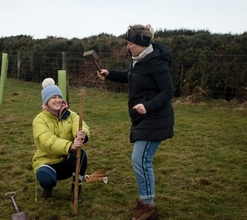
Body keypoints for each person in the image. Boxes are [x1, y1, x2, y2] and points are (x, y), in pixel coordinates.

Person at [97, 24, 174, 220]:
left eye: (130, 43)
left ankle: (149, 207)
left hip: (155, 118)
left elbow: (168, 92)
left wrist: (148, 106)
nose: (127, 47)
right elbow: (131, 77)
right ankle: (145, 202)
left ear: (141, 43)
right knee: (140, 160)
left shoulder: (156, 62)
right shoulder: (138, 59)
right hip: (143, 118)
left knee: (140, 160)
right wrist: (109, 73)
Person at [32, 78, 90, 203]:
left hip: (66, 160)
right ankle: (47, 188)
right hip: (47, 161)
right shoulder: (39, 120)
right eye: (53, 97)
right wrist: (71, 146)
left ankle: (76, 189)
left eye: (59, 97)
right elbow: (47, 142)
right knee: (46, 178)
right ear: (46, 101)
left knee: (82, 155)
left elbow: (81, 125)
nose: (58, 100)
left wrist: (81, 134)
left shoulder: (71, 115)